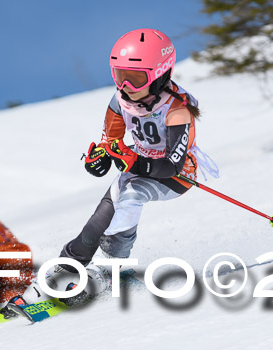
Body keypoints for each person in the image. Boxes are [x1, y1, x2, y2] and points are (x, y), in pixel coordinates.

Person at [41, 28, 216, 297]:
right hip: (137, 162)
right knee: (102, 214)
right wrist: (99, 159)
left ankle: (111, 269)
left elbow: (172, 165)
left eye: (135, 79)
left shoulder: (178, 109)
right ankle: (71, 262)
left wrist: (135, 162)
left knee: (132, 195)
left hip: (176, 174)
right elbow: (109, 140)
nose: (125, 87)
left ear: (160, 74)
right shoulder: (120, 100)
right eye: (120, 76)